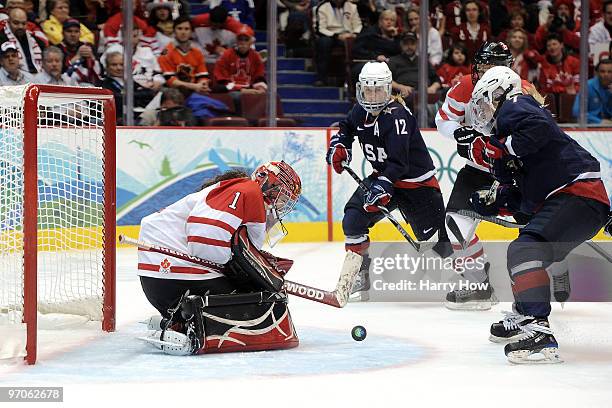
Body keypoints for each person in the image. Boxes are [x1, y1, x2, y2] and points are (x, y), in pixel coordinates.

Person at [469, 66, 610, 364]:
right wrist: (497, 203)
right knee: (527, 249)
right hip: (572, 197)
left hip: (578, 194)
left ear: (500, 92)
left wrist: (500, 148)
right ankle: (525, 315)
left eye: (485, 102)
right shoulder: (511, 133)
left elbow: (540, 129)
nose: (483, 110)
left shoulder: (515, 106)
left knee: (525, 251)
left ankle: (540, 333)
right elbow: (526, 199)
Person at [138, 163, 302, 355]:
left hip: (159, 281)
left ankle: (179, 319)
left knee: (257, 292)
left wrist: (245, 264)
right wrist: (240, 269)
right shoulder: (248, 190)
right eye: (280, 198)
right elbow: (203, 240)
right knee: (263, 302)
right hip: (177, 275)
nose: (279, 206)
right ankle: (191, 325)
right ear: (265, 182)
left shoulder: (232, 190)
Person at [435, 41, 552, 311]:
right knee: (455, 225)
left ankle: (541, 288)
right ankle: (478, 285)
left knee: (534, 233)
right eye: (485, 65)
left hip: (517, 172)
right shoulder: (465, 85)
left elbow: (541, 136)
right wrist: (458, 133)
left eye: (496, 66)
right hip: (479, 170)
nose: (488, 71)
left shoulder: (523, 92)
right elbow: (443, 120)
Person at [326, 61, 451, 301]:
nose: (372, 96)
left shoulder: (397, 117)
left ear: (388, 90)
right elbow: (347, 127)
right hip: (384, 178)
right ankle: (359, 278)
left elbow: (399, 164)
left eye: (378, 90)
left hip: (417, 185)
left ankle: (471, 279)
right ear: (360, 89)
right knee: (353, 220)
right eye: (368, 90)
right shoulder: (359, 111)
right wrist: (341, 143)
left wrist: (382, 186)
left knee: (437, 241)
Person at [212, 24, 266, 113]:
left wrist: (261, 89)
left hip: (250, 90)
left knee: (268, 98)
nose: (243, 42)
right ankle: (241, 122)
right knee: (237, 96)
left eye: (246, 39)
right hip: (231, 91)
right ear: (236, 41)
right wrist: (241, 90)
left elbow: (259, 77)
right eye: (240, 39)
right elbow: (222, 82)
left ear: (251, 42)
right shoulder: (226, 55)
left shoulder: (256, 57)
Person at [312, 0, 362, 87]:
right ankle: (322, 78)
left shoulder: (352, 6)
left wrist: (354, 34)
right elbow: (320, 29)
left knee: (359, 42)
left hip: (348, 35)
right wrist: (337, 36)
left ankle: (352, 80)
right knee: (324, 43)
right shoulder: (322, 7)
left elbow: (358, 25)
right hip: (330, 35)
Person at [158, 16, 210, 96]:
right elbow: (170, 81)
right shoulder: (166, 52)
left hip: (195, 90)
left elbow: (203, 76)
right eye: (179, 28)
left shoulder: (197, 52)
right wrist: (194, 86)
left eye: (186, 29)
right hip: (174, 91)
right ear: (174, 31)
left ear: (191, 32)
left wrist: (202, 84)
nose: (183, 32)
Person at [0, 7, 47, 74]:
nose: (20, 27)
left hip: (37, 77)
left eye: (24, 23)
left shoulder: (34, 39)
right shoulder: (1, 39)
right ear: (8, 22)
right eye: (16, 23)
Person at [58, 18, 101, 86]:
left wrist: (92, 57)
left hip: (90, 85)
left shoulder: (88, 46)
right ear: (62, 33)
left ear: (80, 33)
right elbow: (58, 73)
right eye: (69, 31)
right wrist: (77, 57)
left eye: (76, 31)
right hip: (66, 85)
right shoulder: (57, 48)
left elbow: (101, 72)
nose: (73, 34)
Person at [572, 58, 612, 124]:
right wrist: (599, 122)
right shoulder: (587, 86)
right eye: (602, 71)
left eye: (610, 72)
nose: (606, 75)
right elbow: (577, 112)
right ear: (596, 73)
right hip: (591, 126)